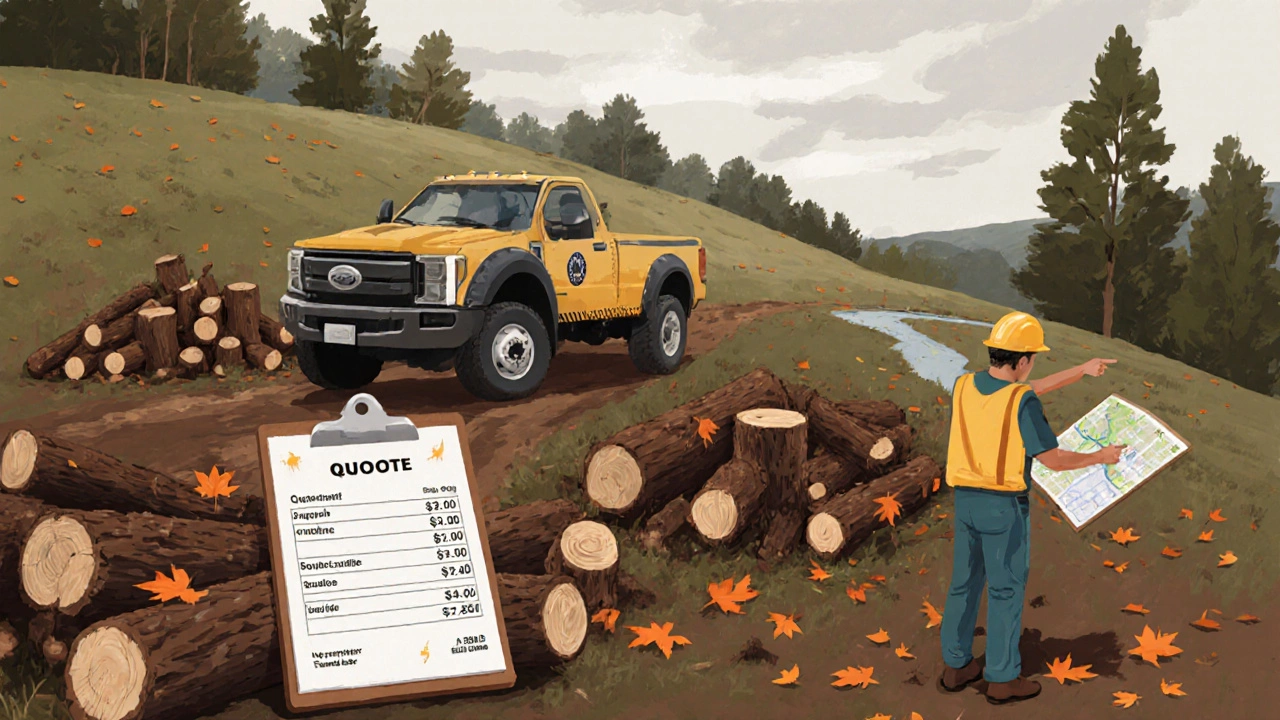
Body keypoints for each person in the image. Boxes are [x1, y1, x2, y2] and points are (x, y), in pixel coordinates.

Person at [938, 311, 1127, 705]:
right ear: (1022, 361)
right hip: (1003, 507)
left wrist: (1081, 370)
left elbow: (1025, 388)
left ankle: (955, 667)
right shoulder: (1021, 401)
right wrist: (1101, 456)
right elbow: (1054, 459)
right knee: (1005, 590)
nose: (1033, 367)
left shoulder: (965, 385)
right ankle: (1002, 678)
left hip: (966, 503)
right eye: (1032, 359)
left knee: (964, 583)